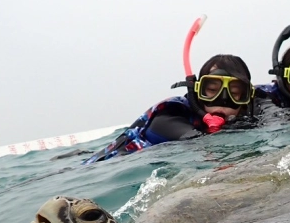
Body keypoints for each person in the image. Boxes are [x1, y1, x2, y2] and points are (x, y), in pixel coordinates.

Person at [83, 53, 255, 164]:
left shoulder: (244, 118)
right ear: (196, 89)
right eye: (211, 90)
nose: (223, 100)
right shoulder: (170, 113)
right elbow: (194, 141)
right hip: (101, 166)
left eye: (235, 92)